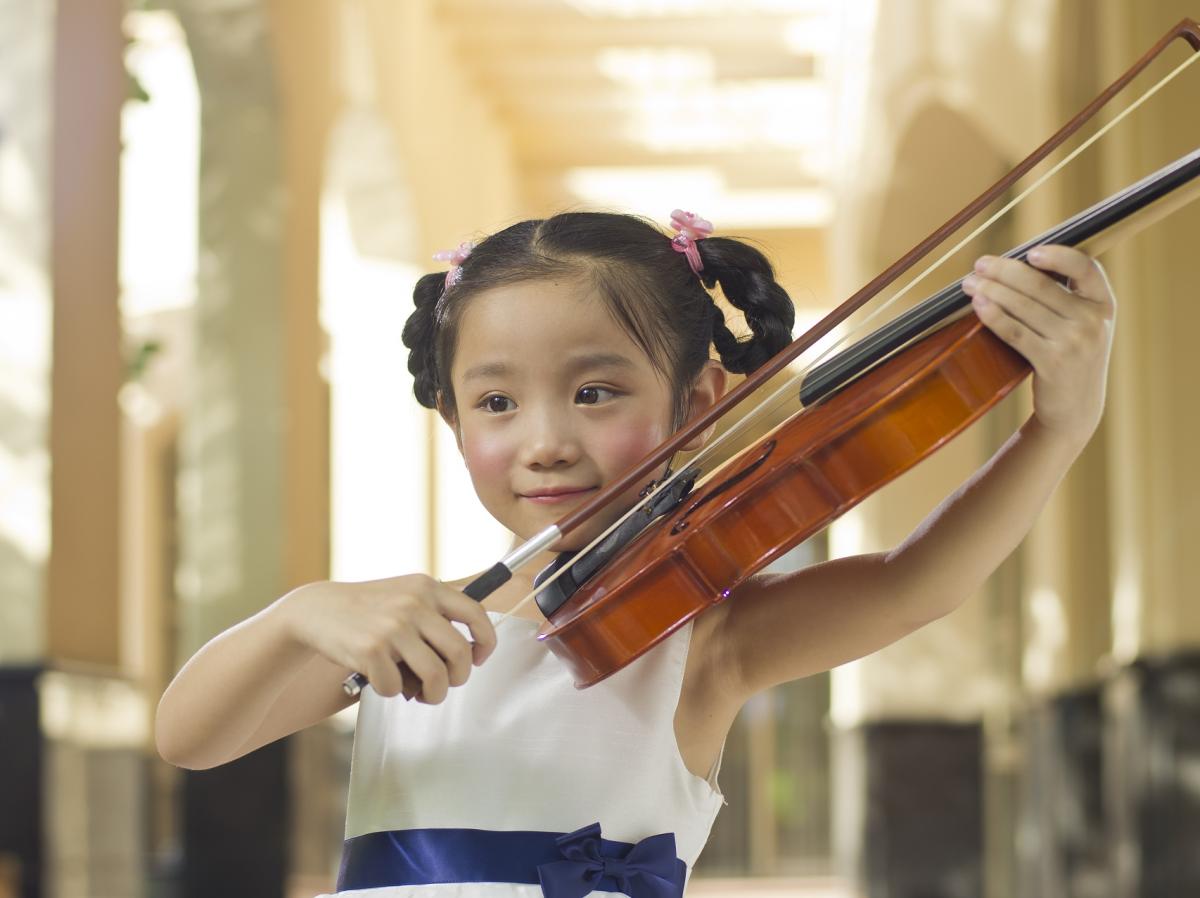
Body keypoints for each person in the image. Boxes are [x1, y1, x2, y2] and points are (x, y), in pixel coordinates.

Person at [155, 209, 1115, 897]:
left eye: (594, 391)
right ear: (450, 421)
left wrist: (1056, 432)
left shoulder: (712, 637)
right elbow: (190, 738)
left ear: (697, 405)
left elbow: (914, 586)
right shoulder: (409, 633)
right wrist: (295, 615)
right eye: (497, 402)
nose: (545, 440)